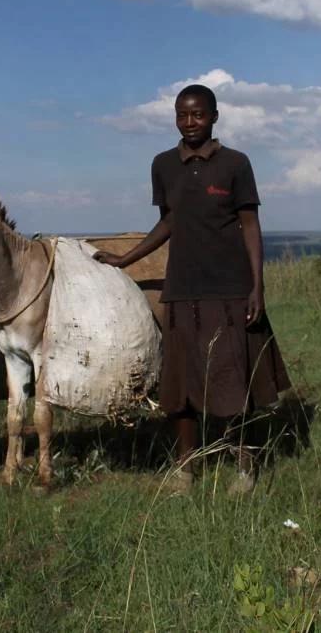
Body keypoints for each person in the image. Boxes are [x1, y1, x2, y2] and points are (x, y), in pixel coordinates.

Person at [94, 84, 291, 494]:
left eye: (198, 114)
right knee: (180, 387)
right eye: (182, 115)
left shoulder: (236, 164)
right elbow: (169, 222)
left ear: (214, 116)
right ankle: (186, 468)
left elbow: (251, 226)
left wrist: (258, 286)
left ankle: (245, 466)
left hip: (230, 289)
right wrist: (125, 259)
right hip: (182, 289)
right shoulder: (163, 165)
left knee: (232, 381)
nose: (189, 123)